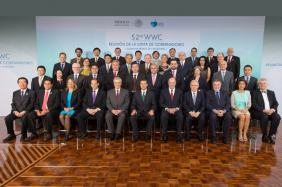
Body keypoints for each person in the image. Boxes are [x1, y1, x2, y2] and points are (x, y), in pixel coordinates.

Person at [3, 78, 36, 142]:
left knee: (24, 118)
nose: (22, 84)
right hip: (17, 111)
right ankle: (11, 134)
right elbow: (13, 103)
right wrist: (15, 111)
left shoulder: (32, 92)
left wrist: (24, 111)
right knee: (7, 118)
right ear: (18, 84)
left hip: (27, 111)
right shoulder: (15, 93)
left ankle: (24, 134)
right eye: (20, 82)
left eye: (24, 82)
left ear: (27, 83)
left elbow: (32, 104)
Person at [251, 78, 281, 144]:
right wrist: (264, 110)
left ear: (267, 84)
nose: (262, 85)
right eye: (261, 83)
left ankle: (270, 135)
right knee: (264, 116)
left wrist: (272, 110)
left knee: (277, 117)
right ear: (258, 85)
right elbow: (253, 104)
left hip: (270, 111)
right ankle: (264, 135)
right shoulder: (254, 92)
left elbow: (276, 103)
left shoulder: (271, 92)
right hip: (259, 112)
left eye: (264, 83)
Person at [206, 79, 232, 144]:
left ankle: (225, 137)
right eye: (215, 85)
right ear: (212, 85)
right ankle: (213, 136)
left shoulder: (225, 92)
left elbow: (228, 104)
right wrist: (215, 111)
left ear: (220, 85)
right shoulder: (208, 93)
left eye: (218, 85)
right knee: (212, 117)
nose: (216, 86)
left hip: (223, 110)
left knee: (228, 117)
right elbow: (207, 104)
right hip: (213, 111)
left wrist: (223, 111)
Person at [159, 78, 184, 144]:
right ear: (168, 83)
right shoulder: (163, 91)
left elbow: (181, 103)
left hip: (176, 109)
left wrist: (176, 109)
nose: (171, 84)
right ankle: (165, 135)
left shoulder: (180, 91)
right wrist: (167, 109)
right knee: (163, 116)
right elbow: (161, 103)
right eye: (170, 82)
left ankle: (178, 135)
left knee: (180, 116)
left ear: (175, 83)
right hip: (166, 109)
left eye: (173, 82)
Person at [105, 77, 130, 141]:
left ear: (121, 83)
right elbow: (108, 103)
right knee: (107, 116)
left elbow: (127, 102)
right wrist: (112, 110)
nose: (117, 84)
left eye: (118, 82)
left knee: (122, 116)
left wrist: (121, 110)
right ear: (113, 84)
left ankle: (118, 134)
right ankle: (112, 133)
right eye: (115, 83)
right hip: (112, 110)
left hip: (122, 110)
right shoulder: (109, 92)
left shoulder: (126, 92)